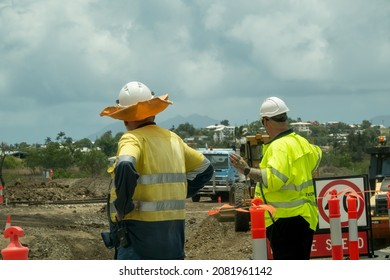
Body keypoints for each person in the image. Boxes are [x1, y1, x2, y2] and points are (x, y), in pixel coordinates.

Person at [99, 81, 214, 260]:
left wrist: (123, 206)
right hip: (173, 236)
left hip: (138, 238)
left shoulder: (132, 138)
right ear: (153, 112)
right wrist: (177, 193)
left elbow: (125, 164)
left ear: (124, 117)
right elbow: (205, 169)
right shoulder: (174, 139)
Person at [229, 96, 322, 260]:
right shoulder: (301, 142)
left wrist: (246, 169)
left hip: (284, 220)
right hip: (306, 218)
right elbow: (317, 156)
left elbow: (274, 181)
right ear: (285, 117)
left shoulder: (279, 147)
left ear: (265, 121)